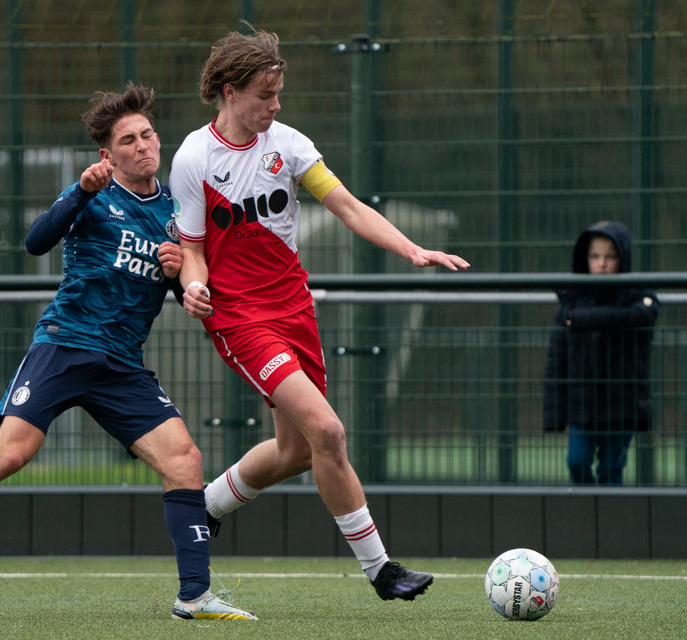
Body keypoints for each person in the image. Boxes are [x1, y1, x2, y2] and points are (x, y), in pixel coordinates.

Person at [0, 83, 257, 621]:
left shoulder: (175, 214)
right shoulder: (91, 194)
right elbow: (36, 241)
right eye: (128, 140)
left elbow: (191, 299)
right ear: (108, 154)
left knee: (185, 459)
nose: (144, 145)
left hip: (122, 364)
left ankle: (194, 595)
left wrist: (180, 277)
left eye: (148, 134)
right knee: (8, 456)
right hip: (65, 346)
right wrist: (79, 191)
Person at [169, 25, 470, 602]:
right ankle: (382, 570)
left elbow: (348, 206)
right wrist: (195, 288)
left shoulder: (290, 145)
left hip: (293, 309)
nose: (275, 105)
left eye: (279, 93)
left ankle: (206, 505)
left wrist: (411, 248)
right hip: (239, 318)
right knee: (328, 430)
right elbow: (193, 248)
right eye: (265, 94)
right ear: (230, 91)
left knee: (298, 450)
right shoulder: (194, 158)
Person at [543, 221, 659, 485]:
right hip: (582, 406)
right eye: (595, 256)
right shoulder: (570, 302)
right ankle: (585, 519)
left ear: (623, 258)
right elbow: (556, 361)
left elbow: (643, 314)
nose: (602, 263)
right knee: (577, 462)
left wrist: (584, 319)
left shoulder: (637, 296)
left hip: (622, 405)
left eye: (610, 256)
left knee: (610, 470)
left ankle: (610, 523)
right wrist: (554, 415)